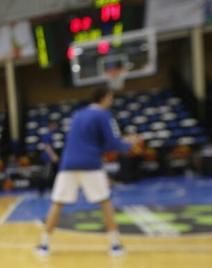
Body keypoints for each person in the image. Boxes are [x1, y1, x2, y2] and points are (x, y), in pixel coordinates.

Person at [36, 88, 141, 257]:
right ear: (105, 98)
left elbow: (85, 141)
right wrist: (129, 143)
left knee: (57, 203)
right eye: (111, 98)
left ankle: (43, 245)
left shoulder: (78, 115)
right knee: (105, 202)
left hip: (68, 163)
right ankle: (115, 245)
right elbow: (111, 144)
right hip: (90, 163)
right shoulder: (103, 115)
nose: (111, 101)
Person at [36, 121, 60, 197]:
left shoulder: (51, 135)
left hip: (48, 158)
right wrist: (53, 156)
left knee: (49, 174)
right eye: (54, 125)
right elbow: (47, 146)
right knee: (45, 175)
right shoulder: (48, 135)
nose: (55, 127)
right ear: (50, 126)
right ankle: (41, 191)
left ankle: (49, 190)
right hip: (47, 159)